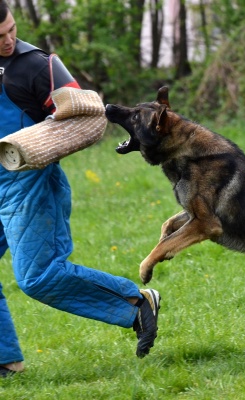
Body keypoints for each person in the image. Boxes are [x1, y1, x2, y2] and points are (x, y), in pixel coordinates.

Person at [0, 0, 161, 378]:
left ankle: (135, 303)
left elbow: (88, 116)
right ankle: (5, 361)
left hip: (29, 184)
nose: (9, 40)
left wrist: (51, 128)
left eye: (11, 30)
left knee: (37, 276)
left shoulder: (37, 66)